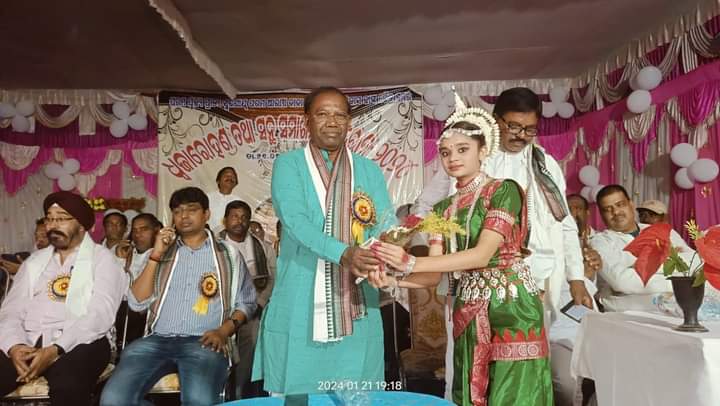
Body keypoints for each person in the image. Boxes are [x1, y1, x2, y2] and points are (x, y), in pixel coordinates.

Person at [371, 102, 552, 405]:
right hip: (468, 308)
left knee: (515, 394)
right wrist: (393, 279)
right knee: (470, 390)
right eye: (445, 152)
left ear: (483, 151)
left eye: (462, 149)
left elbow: (482, 255)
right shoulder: (442, 209)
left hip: (512, 305)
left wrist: (409, 261)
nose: (452, 158)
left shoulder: (503, 191)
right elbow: (432, 276)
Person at [252, 87, 395, 399]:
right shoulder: (289, 164)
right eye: (322, 114)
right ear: (307, 120)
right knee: (297, 393)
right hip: (301, 298)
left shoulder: (368, 170)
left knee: (359, 393)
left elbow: (385, 222)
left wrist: (392, 247)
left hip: (357, 301)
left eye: (339, 115)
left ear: (349, 122)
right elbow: (295, 222)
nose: (332, 121)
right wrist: (344, 254)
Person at [100, 187, 257, 406]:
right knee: (113, 400)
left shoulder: (228, 254)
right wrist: (156, 254)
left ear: (206, 214)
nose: (183, 216)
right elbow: (136, 303)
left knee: (199, 401)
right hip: (156, 340)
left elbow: (247, 302)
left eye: (191, 210)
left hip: (204, 342)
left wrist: (223, 331)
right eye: (177, 211)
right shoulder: (161, 252)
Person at [0, 191, 127, 405]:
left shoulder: (103, 259)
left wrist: (56, 349)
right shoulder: (34, 262)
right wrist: (14, 346)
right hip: (30, 340)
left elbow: (100, 315)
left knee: (67, 386)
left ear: (82, 225)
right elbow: (11, 311)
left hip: (83, 341)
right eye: (49, 219)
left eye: (61, 219)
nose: (52, 225)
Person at [483, 88, 591, 315]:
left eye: (530, 129)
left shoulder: (546, 165)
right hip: (485, 275)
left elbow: (564, 222)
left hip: (537, 274)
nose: (521, 135)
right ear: (495, 120)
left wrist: (576, 278)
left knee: (534, 336)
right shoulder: (475, 159)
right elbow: (429, 206)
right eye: (514, 126)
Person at [589, 185, 694, 311]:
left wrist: (635, 265)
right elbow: (622, 283)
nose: (616, 212)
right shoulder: (600, 242)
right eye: (608, 209)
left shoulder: (662, 231)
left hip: (677, 309)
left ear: (631, 204)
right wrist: (677, 278)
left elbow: (695, 263)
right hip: (627, 315)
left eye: (620, 205)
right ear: (601, 215)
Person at [219, 200, 276, 399]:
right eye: (234, 216)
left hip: (252, 308)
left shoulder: (262, 247)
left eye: (244, 217)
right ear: (225, 220)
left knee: (253, 340)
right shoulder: (214, 245)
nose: (239, 221)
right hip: (220, 310)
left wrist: (259, 303)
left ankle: (242, 393)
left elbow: (273, 278)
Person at [112, 213, 163, 350]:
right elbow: (114, 288)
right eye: (135, 230)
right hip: (122, 315)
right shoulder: (127, 253)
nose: (138, 234)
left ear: (156, 230)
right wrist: (120, 260)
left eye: (144, 229)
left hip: (145, 317)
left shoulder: (163, 256)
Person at [566, 194, 602, 281]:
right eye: (569, 209)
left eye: (578, 208)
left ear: (587, 213)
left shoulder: (601, 240)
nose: (573, 213)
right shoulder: (558, 243)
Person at [207, 167, 242, 233]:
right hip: (207, 236)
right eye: (226, 175)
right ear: (218, 180)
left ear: (235, 183)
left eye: (233, 176)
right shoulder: (207, 197)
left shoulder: (239, 202)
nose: (230, 178)